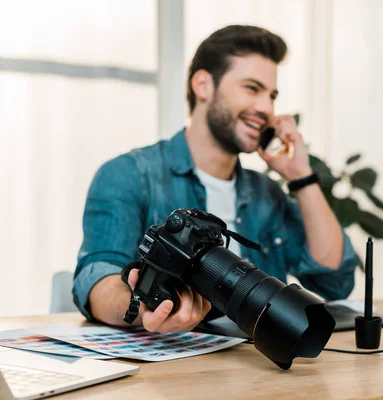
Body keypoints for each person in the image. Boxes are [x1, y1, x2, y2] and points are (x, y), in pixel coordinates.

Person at [72, 25, 360, 333]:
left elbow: (334, 282)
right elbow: (96, 278)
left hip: (256, 366)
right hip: (172, 370)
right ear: (203, 85)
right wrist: (146, 308)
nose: (266, 108)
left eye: (271, 95)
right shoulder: (129, 175)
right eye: (252, 88)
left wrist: (301, 177)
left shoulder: (266, 193)